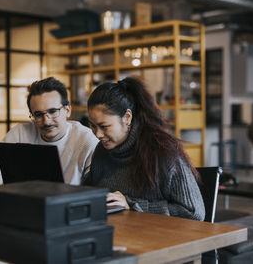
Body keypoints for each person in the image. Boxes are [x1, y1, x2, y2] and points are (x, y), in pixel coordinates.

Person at [82, 77, 205, 221]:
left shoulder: (163, 152)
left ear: (127, 117)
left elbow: (193, 212)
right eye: (92, 126)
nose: (97, 134)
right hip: (118, 235)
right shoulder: (101, 152)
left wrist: (133, 205)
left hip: (159, 239)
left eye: (104, 127)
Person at [0, 77, 98, 187]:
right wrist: (20, 189)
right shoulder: (19, 134)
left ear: (67, 110)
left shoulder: (86, 140)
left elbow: (98, 189)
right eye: (38, 114)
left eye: (53, 111)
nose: (46, 121)